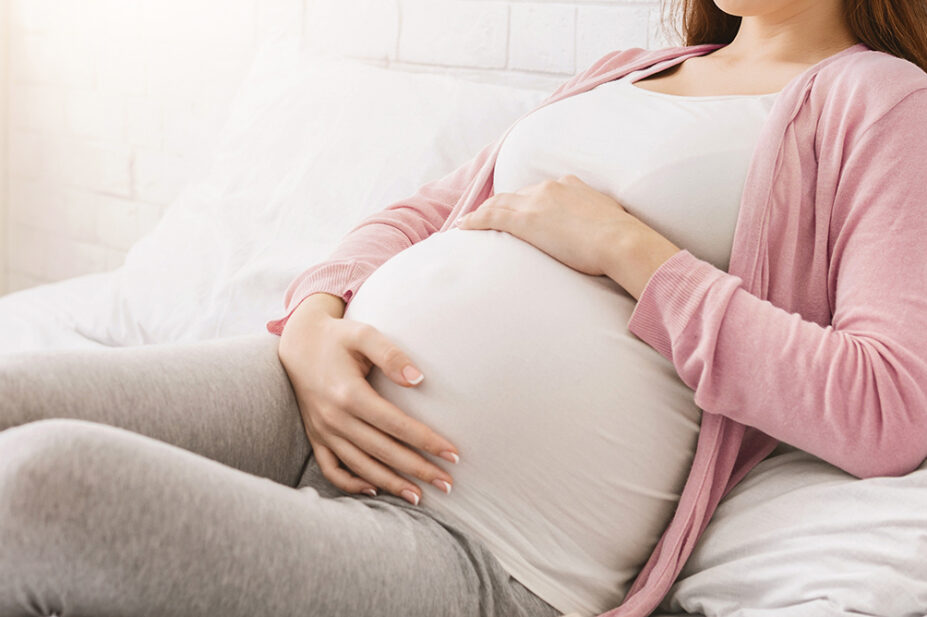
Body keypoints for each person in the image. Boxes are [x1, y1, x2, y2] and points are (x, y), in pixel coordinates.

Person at [2, 1, 927, 616]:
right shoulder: (630, 69)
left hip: (480, 539)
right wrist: (317, 318)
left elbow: (887, 406)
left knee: (39, 484)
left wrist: (628, 250)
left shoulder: (881, 100)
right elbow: (418, 211)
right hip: (316, 395)